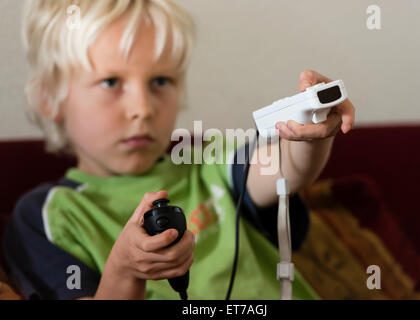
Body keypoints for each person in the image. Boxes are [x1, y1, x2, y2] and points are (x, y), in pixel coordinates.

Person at [2, 0, 355, 300]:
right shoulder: (49, 215)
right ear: (51, 100)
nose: (142, 108)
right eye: (110, 82)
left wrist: (312, 128)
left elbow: (285, 168)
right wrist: (125, 270)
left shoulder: (209, 160)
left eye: (160, 81)